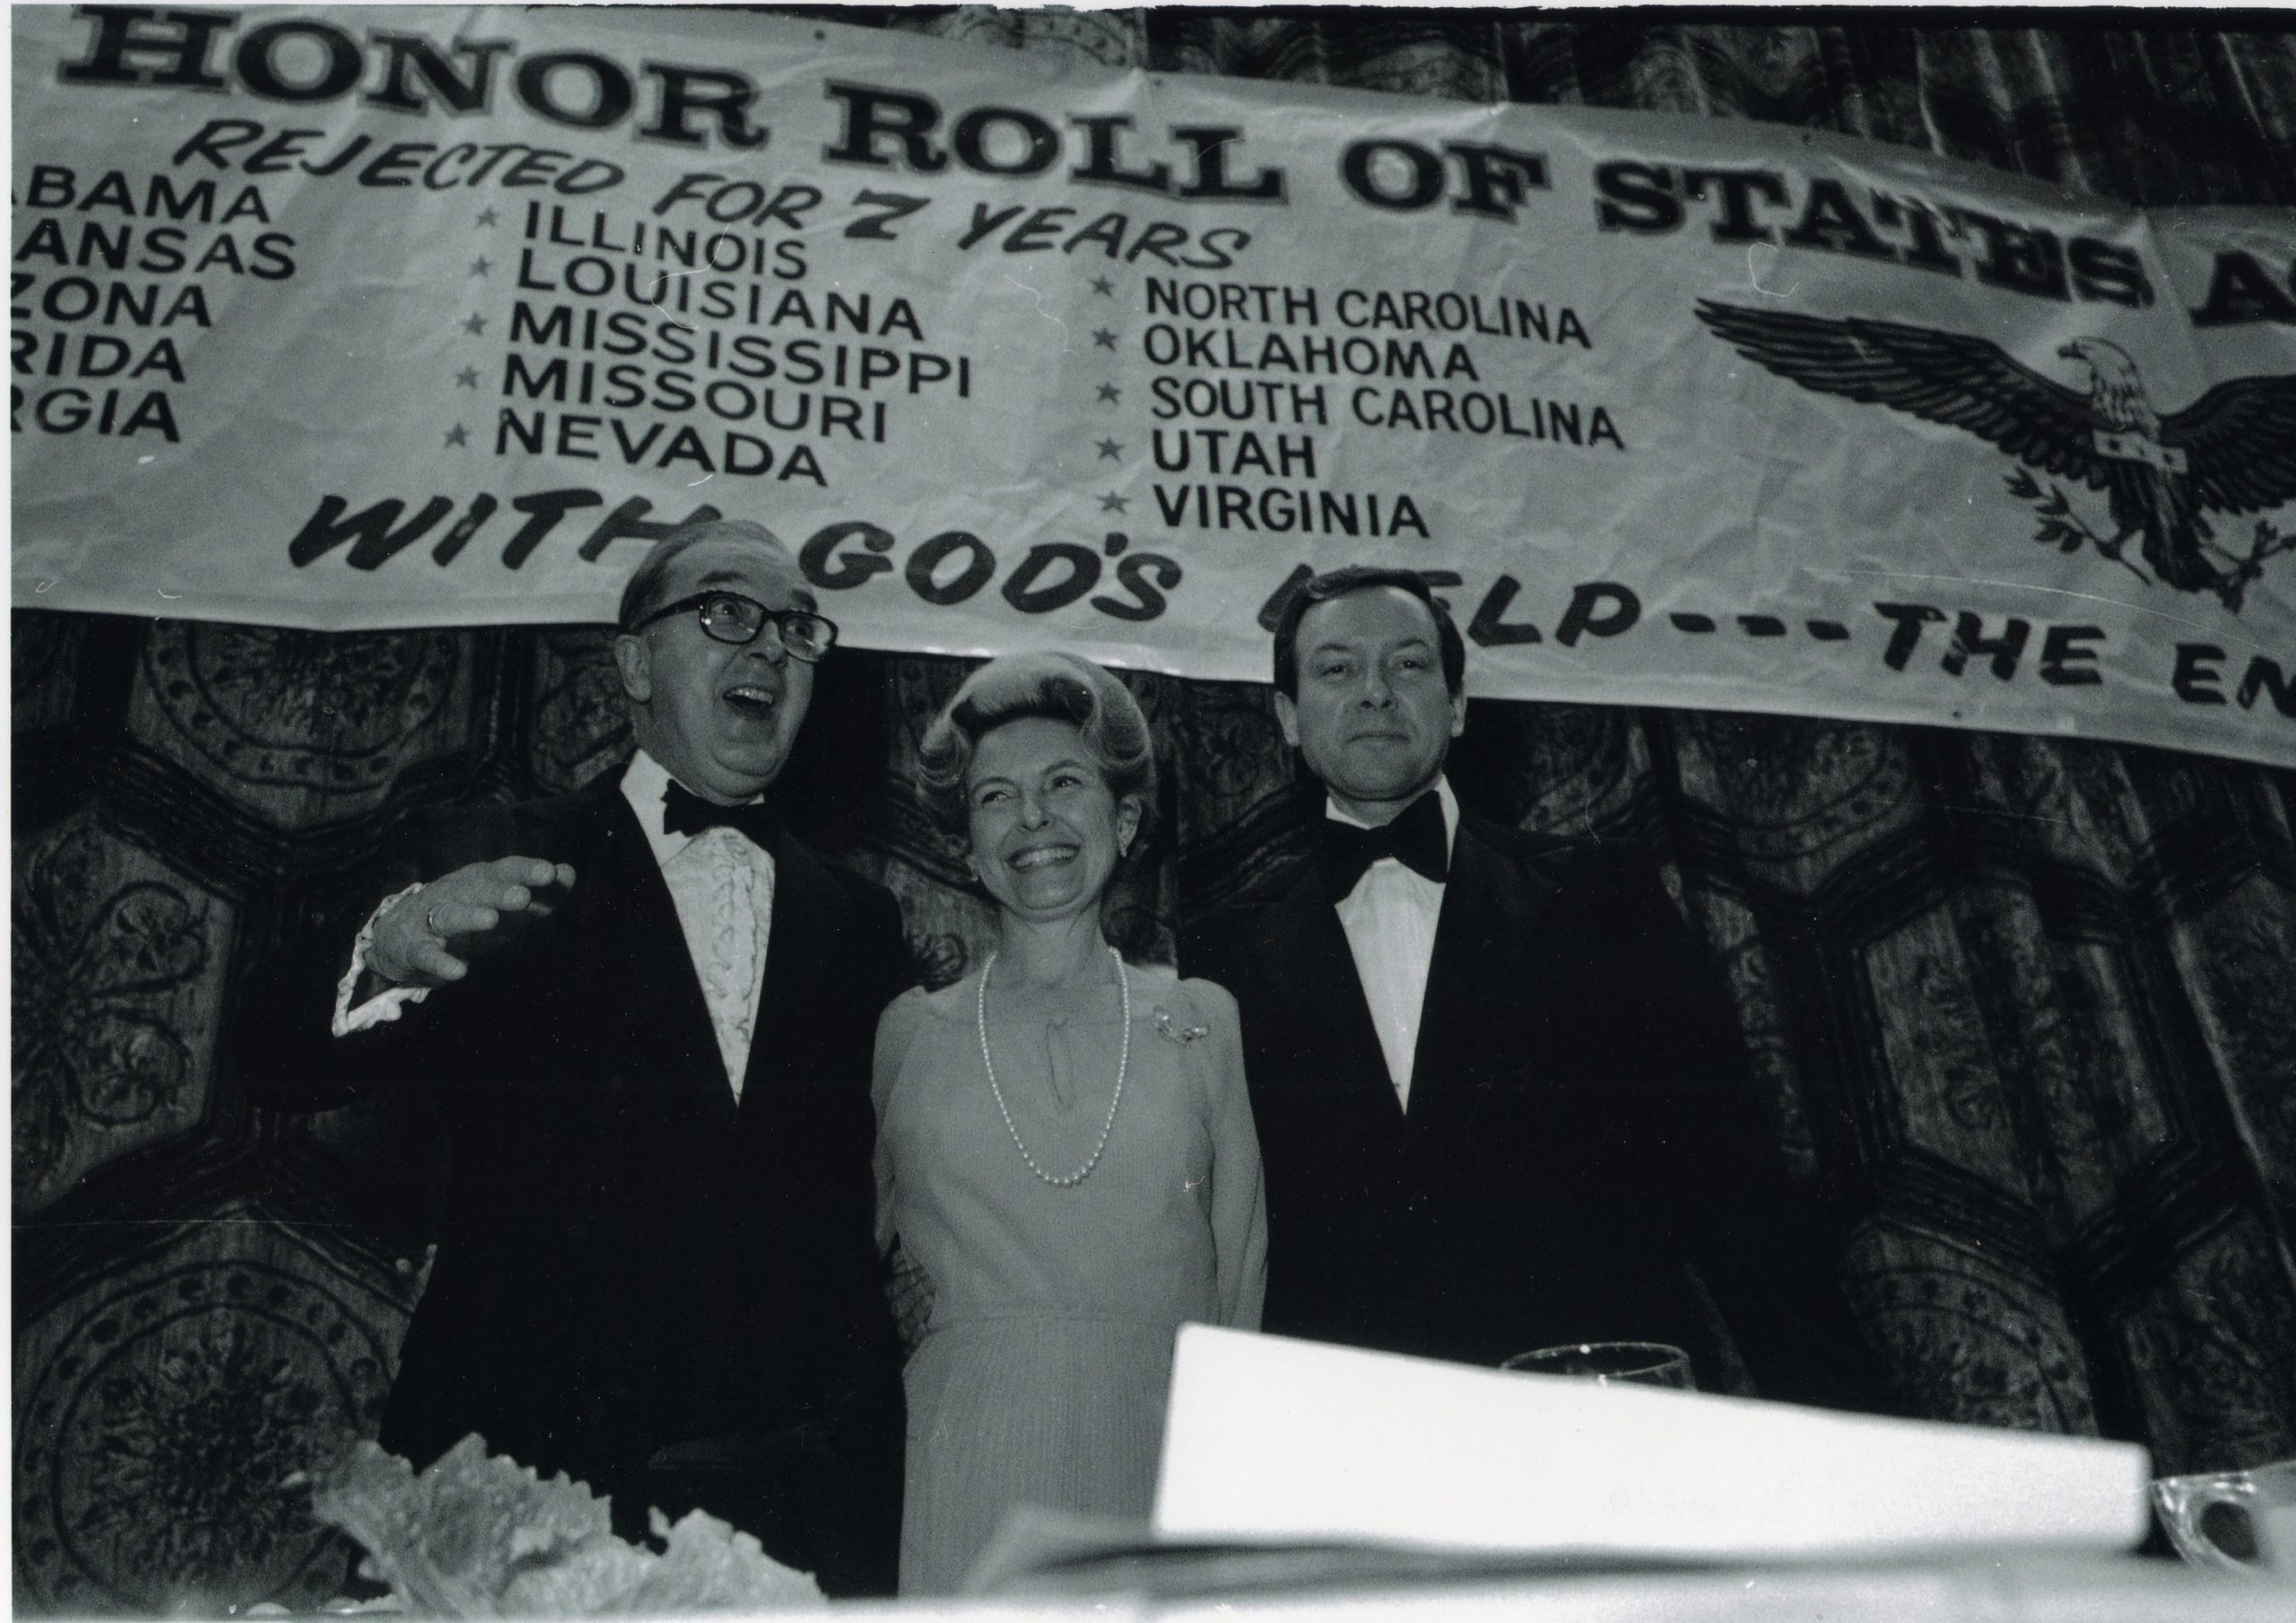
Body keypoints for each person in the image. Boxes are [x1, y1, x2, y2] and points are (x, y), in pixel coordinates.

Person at [238, 519, 910, 1594]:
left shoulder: (863, 920)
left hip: (767, 1517)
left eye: (795, 628)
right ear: (636, 661)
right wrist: (387, 946)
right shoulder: (493, 848)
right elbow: (266, 1054)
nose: (769, 648)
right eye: (728, 613)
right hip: (516, 1479)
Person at [1179, 566, 1889, 1410]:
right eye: (1337, 669)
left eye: (1408, 666)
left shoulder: (1604, 900)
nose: (1374, 692)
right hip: (1352, 1441)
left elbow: (1738, 1198)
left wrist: (1859, 1456)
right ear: (1288, 719)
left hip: (1594, 1421)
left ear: (1461, 703)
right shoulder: (1219, 948)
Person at [872, 652, 1266, 1594]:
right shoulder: (904, 1032)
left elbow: (1242, 1273)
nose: (1034, 819)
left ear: (1123, 820)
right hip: (961, 1466)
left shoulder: (1203, 1019)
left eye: (1064, 784)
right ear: (965, 846)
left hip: (1159, 1461)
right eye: (995, 797)